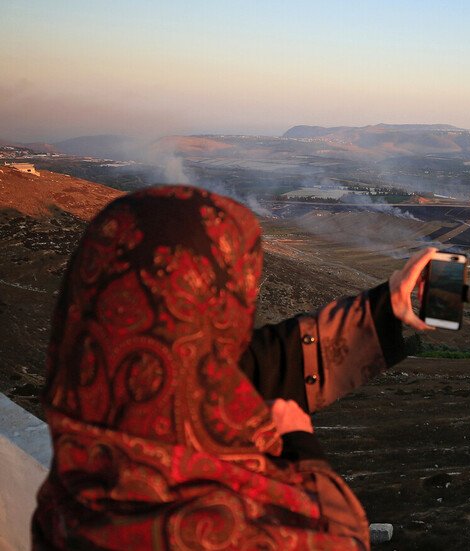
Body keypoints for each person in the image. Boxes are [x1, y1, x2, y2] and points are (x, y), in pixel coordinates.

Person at [31, 185, 436, 550]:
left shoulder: (87, 432)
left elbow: (253, 365)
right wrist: (300, 447)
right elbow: (342, 539)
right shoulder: (223, 530)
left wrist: (387, 310)